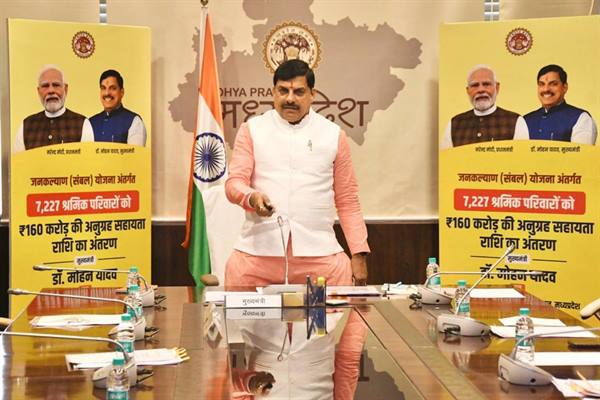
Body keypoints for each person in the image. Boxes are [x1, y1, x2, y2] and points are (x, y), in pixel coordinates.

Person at [224, 59, 369, 287]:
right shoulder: (251, 129)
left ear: (312, 94)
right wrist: (252, 197)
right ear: (273, 92)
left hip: (321, 256)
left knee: (342, 296)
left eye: (299, 92)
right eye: (283, 91)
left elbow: (348, 200)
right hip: (257, 254)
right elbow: (234, 184)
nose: (290, 99)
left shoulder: (333, 135)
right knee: (236, 279)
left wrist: (359, 254)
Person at [440, 65, 528, 149]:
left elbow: (522, 157)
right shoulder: (454, 124)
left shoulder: (515, 121)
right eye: (475, 85)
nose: (481, 90)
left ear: (497, 88)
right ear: (468, 91)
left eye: (486, 84)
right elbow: (446, 158)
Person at [13, 65, 93, 152]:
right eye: (45, 86)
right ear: (39, 91)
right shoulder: (26, 126)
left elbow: (88, 159)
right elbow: (18, 160)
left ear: (65, 89)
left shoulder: (82, 124)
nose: (51, 91)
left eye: (56, 85)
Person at [524, 64, 597, 144]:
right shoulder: (526, 121)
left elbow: (581, 151)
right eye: (542, 84)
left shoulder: (581, 118)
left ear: (565, 87)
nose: (546, 89)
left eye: (553, 84)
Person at [89, 69, 147, 145]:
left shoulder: (134, 121)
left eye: (113, 88)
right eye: (103, 88)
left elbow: (135, 152)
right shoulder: (91, 123)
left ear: (122, 92)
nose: (107, 93)